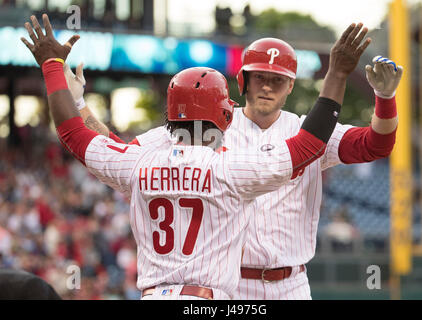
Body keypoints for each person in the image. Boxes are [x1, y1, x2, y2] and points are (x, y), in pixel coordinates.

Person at [21, 14, 354, 300]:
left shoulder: (139, 164)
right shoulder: (229, 170)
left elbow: (72, 133)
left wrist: (53, 68)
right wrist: (336, 74)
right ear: (223, 116)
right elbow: (309, 144)